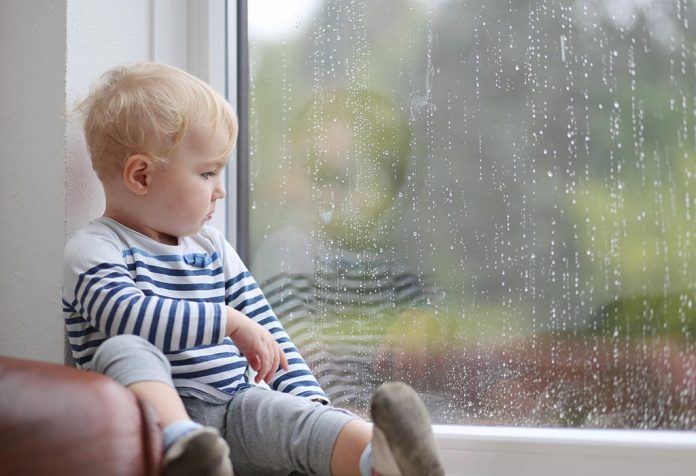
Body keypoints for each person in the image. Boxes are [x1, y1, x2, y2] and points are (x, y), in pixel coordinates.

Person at [62, 62, 445, 476]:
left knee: (299, 420)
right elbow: (128, 316)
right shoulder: (94, 249)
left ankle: (380, 460)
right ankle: (182, 449)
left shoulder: (212, 248)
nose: (220, 190)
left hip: (236, 406)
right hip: (148, 424)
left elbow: (268, 332)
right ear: (141, 175)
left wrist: (310, 403)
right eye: (207, 173)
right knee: (122, 351)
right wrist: (227, 321)